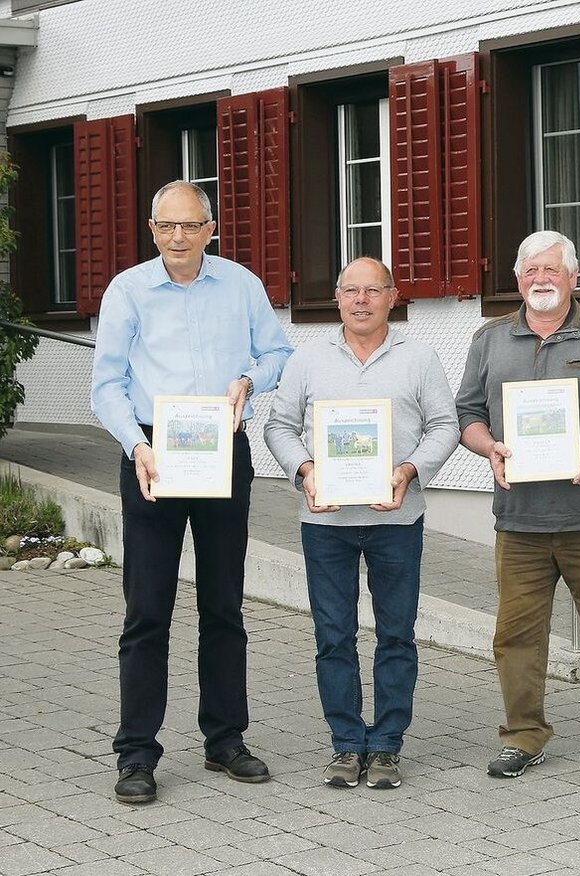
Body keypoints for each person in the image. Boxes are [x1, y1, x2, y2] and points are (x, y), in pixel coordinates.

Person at [90, 180, 294, 804]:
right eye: (165, 226)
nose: (177, 237)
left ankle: (225, 739)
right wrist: (136, 445)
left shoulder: (242, 285)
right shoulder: (127, 291)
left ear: (211, 229)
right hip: (153, 453)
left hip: (222, 447)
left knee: (223, 604)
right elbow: (107, 385)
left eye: (189, 225)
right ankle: (136, 753)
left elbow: (277, 351)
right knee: (147, 609)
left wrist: (248, 380)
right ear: (152, 230)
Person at [456, 230, 580, 779]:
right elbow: (467, 413)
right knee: (516, 637)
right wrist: (488, 447)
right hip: (519, 519)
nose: (541, 279)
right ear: (517, 279)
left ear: (573, 277)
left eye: (552, 269)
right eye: (531, 270)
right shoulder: (489, 339)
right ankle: (522, 735)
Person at [264, 257, 459, 790]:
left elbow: (445, 425)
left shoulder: (419, 357)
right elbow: (279, 426)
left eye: (373, 290)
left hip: (397, 518)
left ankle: (388, 743)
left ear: (393, 297)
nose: (361, 300)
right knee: (333, 635)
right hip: (325, 522)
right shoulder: (307, 359)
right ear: (337, 297)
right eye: (351, 290)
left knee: (396, 635)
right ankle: (347, 743)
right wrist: (305, 470)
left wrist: (409, 471)